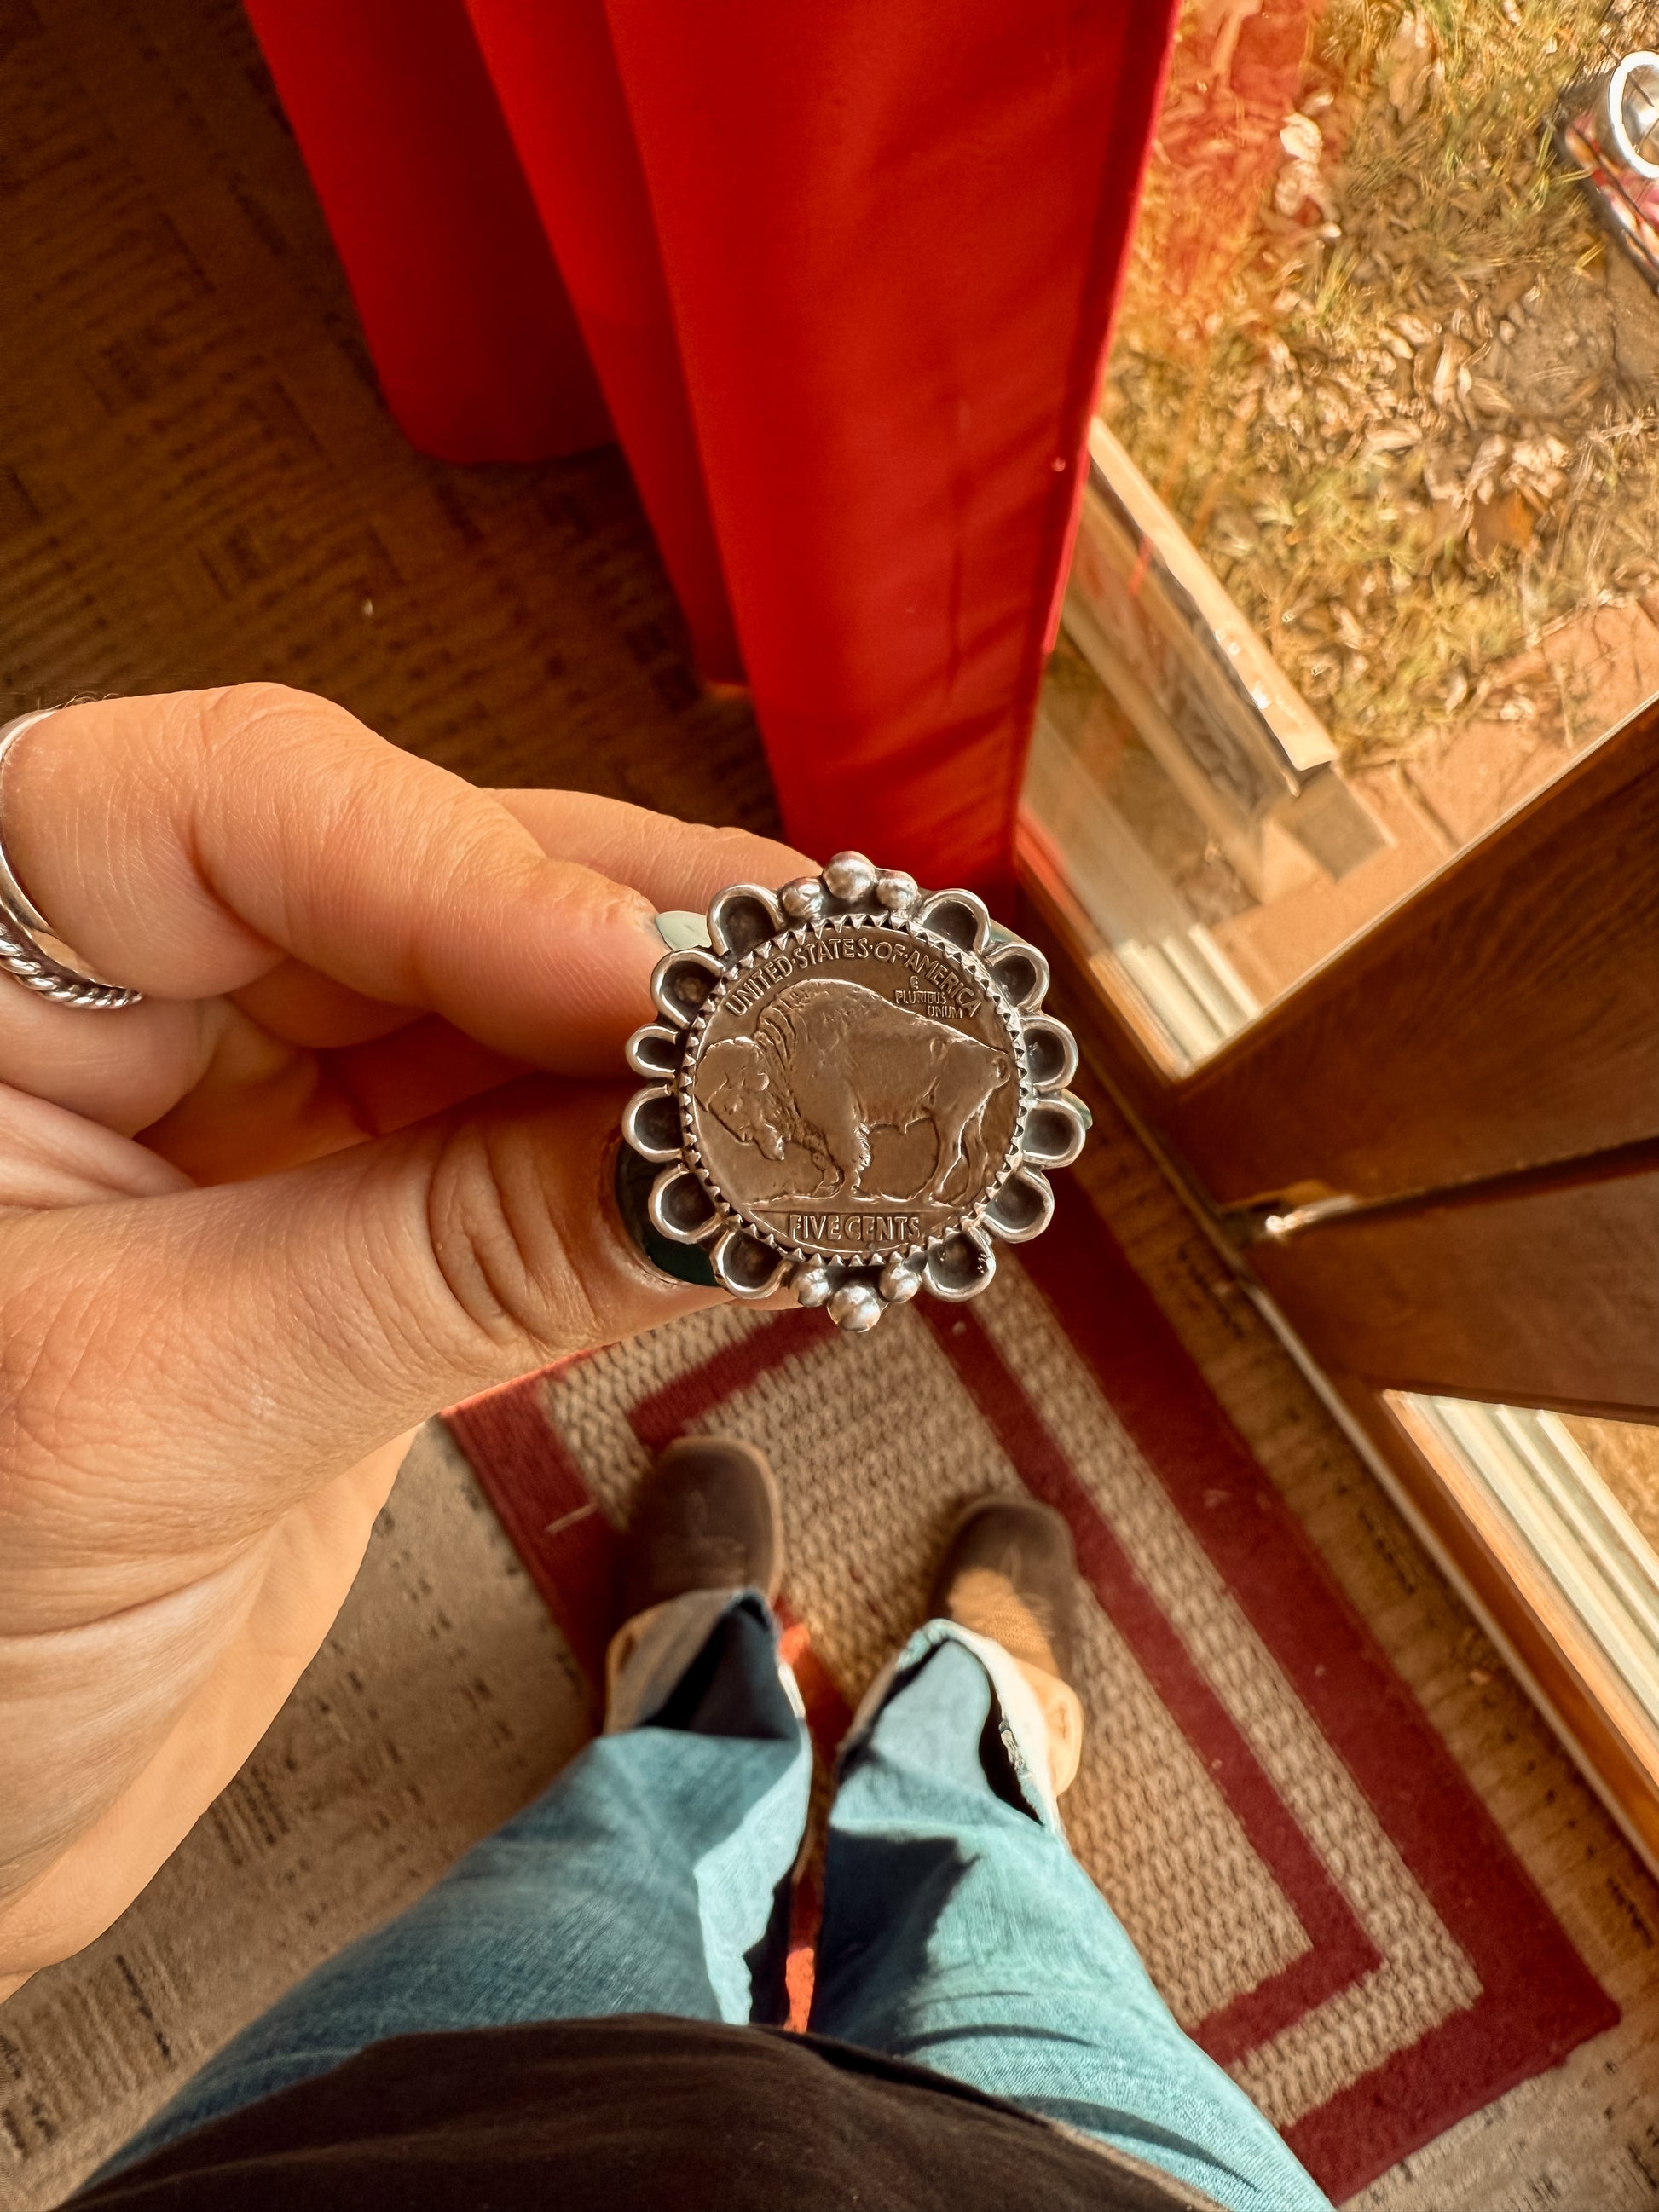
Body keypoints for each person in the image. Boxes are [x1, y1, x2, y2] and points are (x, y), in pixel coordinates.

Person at [0, 688, 1331, 2211]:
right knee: (1019, 1948)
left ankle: (705, 1716)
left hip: (433, 2154)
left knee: (603, 1869)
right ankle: (968, 1749)